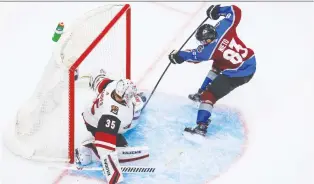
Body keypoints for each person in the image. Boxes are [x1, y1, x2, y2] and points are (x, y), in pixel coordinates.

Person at [168, 4, 256, 137]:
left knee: (209, 96)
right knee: (218, 64)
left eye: (203, 42)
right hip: (248, 60)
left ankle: (201, 127)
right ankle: (200, 92)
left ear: (208, 39)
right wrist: (218, 11)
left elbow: (193, 56)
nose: (202, 44)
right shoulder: (224, 27)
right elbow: (235, 11)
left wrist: (178, 55)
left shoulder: (209, 51)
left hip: (240, 72)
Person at [75, 69, 147, 184]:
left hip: (94, 112)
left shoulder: (112, 86)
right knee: (121, 146)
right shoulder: (112, 116)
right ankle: (88, 151)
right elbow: (105, 149)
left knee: (135, 111)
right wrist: (114, 176)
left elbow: (98, 80)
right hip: (95, 123)